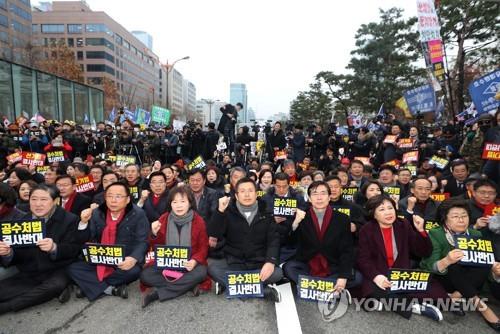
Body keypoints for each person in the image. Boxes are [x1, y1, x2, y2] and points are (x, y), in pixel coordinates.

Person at [357, 194, 447, 321]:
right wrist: (377, 277)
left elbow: (423, 252)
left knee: (440, 297)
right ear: (373, 214)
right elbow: (363, 259)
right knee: (372, 291)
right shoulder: (367, 230)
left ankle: (388, 302)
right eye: (382, 210)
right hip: (380, 274)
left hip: (401, 274)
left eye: (390, 208)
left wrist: (421, 230)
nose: (388, 212)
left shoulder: (403, 224)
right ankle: (416, 307)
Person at [0, 185, 81, 314]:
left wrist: (54, 248)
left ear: (55, 201)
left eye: (43, 199)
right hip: (29, 271)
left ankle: (8, 307)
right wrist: (8, 253)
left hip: (57, 269)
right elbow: (17, 255)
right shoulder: (21, 221)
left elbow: (75, 249)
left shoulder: (70, 219)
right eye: (34, 199)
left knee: (55, 286)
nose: (38, 204)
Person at [420, 199, 500, 330]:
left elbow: (484, 269)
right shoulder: (435, 233)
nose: (461, 220)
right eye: (455, 216)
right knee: (454, 264)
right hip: (444, 278)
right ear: (445, 219)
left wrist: (494, 271)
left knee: (484, 262)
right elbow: (429, 266)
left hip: (469, 280)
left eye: (464, 216)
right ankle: (481, 306)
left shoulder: (476, 234)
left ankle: (456, 296)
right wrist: (446, 261)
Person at [68, 182, 149, 301]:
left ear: (127, 200)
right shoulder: (97, 213)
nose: (113, 200)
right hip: (101, 258)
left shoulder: (138, 214)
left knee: (134, 272)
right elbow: (87, 238)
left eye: (118, 196)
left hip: (123, 259)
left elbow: (143, 241)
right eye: (110, 196)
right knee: (72, 268)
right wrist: (83, 223)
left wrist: (133, 258)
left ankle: (88, 285)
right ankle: (110, 289)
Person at [207, 177, 282, 301]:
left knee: (278, 273)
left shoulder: (267, 212)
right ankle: (263, 290)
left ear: (256, 193)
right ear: (236, 195)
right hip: (234, 261)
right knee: (211, 268)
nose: (247, 194)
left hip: (259, 261)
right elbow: (214, 233)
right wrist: (220, 211)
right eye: (242, 191)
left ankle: (231, 285)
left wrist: (270, 262)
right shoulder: (227, 211)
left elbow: (274, 240)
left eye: (250, 191)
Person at [140, 186, 208, 307]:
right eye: (174, 202)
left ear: (190, 203)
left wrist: (194, 260)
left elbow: (203, 247)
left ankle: (157, 294)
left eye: (183, 201)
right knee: (146, 275)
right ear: (170, 204)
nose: (179, 206)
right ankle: (187, 285)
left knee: (201, 272)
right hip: (168, 264)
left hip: (189, 265)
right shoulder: (163, 219)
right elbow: (157, 247)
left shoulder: (198, 221)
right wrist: (154, 234)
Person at [283, 181, 360, 289]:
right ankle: (328, 287)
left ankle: (311, 285)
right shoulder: (302, 215)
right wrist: (295, 224)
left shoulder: (342, 218)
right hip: (308, 263)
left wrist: (343, 277)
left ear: (329, 197)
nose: (319, 197)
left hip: (333, 264)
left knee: (357, 277)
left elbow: (346, 250)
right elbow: (290, 243)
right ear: (309, 198)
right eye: (314, 194)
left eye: (323, 193)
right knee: (289, 268)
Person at [262, 172, 307, 263]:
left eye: (284, 186)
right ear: (274, 185)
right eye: (278, 186)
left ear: (289, 185)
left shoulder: (298, 198)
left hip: (291, 239)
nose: (281, 189)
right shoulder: (265, 198)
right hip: (271, 239)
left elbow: (305, 217)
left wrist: (297, 216)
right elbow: (260, 217)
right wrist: (271, 218)